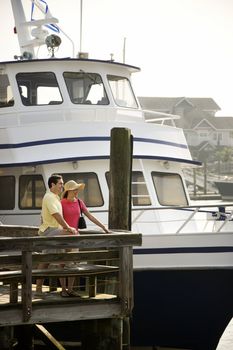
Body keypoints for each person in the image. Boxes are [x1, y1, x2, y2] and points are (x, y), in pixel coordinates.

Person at [60, 180, 110, 296]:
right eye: (75, 189)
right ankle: (63, 290)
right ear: (69, 191)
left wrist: (103, 227)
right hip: (62, 236)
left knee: (74, 263)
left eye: (77, 189)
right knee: (62, 263)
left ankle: (70, 289)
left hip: (75, 237)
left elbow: (90, 216)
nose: (77, 191)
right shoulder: (61, 203)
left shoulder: (79, 202)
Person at [35, 174, 77, 297]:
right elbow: (56, 215)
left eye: (62, 184)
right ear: (52, 185)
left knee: (47, 259)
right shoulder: (49, 197)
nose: (62, 186)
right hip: (49, 231)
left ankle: (64, 286)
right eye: (60, 184)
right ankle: (73, 259)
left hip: (54, 231)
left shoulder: (55, 197)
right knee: (46, 260)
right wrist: (67, 227)